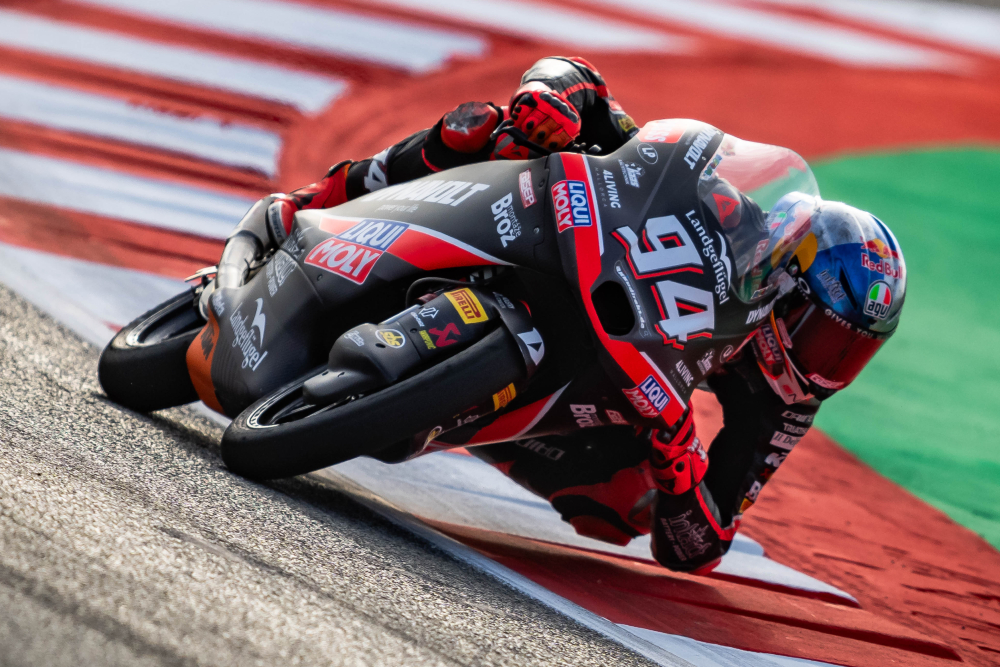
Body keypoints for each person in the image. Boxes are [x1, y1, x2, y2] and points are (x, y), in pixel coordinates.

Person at [215, 56, 907, 574]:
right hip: (560, 236)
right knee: (485, 128)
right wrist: (553, 97)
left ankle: (451, 402)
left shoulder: (785, 402)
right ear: (788, 277)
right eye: (825, 335)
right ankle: (319, 201)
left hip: (615, 369)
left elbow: (699, 545)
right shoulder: (730, 204)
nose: (824, 365)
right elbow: (595, 94)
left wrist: (680, 461)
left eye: (851, 352)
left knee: (626, 504)